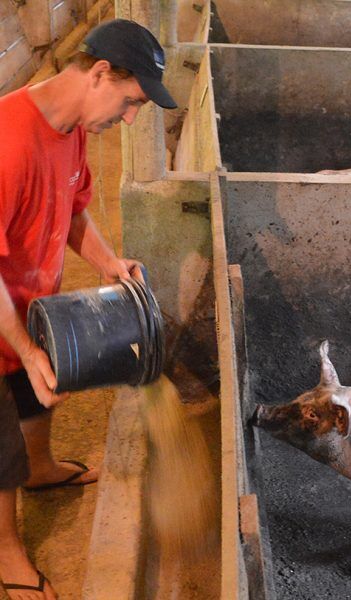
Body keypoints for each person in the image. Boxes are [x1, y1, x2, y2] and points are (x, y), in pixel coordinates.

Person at [0, 19, 176, 598]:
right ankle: (7, 556)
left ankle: (43, 467)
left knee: (44, 387)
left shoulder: (72, 128)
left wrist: (107, 264)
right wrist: (23, 349)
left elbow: (74, 209)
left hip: (26, 302)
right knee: (1, 445)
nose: (129, 118)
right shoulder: (8, 143)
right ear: (100, 73)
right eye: (130, 102)